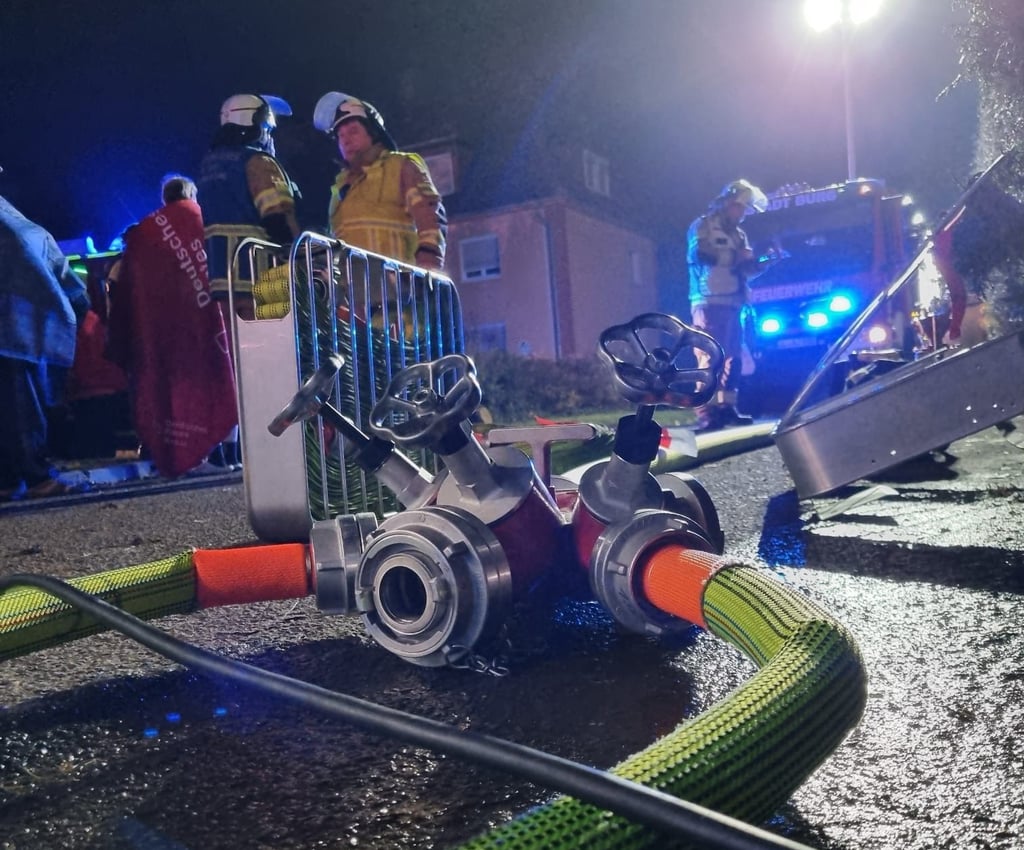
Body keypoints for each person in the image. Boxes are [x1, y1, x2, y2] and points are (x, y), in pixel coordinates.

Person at [104, 175, 238, 478]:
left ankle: (183, 454)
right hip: (206, 323)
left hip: (162, 333)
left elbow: (127, 285)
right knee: (221, 381)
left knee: (173, 393)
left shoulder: (147, 231)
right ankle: (222, 454)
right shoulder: (204, 218)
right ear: (192, 194)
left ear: (164, 198)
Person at [0, 179, 91, 499]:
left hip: (16, 323)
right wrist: (77, 304)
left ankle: (11, 479)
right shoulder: (14, 221)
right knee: (20, 406)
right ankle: (36, 477)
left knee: (14, 405)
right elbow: (55, 264)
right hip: (19, 328)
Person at [196, 94, 301, 319]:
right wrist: (298, 262)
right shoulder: (258, 162)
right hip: (261, 278)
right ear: (257, 125)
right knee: (273, 347)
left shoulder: (209, 166)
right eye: (268, 130)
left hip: (221, 283)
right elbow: (276, 218)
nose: (270, 137)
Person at [312, 92, 446, 269]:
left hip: (398, 289)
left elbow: (430, 216)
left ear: (373, 133)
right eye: (341, 136)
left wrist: (428, 267)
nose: (346, 141)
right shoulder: (341, 186)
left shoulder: (401, 166)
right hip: (352, 293)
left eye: (353, 131)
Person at [686, 179, 768, 431]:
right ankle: (705, 413)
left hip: (734, 303)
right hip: (709, 301)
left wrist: (761, 263)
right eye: (740, 207)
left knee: (734, 357)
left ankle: (726, 408)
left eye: (744, 209)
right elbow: (700, 255)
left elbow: (744, 269)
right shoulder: (703, 226)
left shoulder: (738, 234)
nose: (742, 214)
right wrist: (735, 257)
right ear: (728, 203)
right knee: (710, 357)